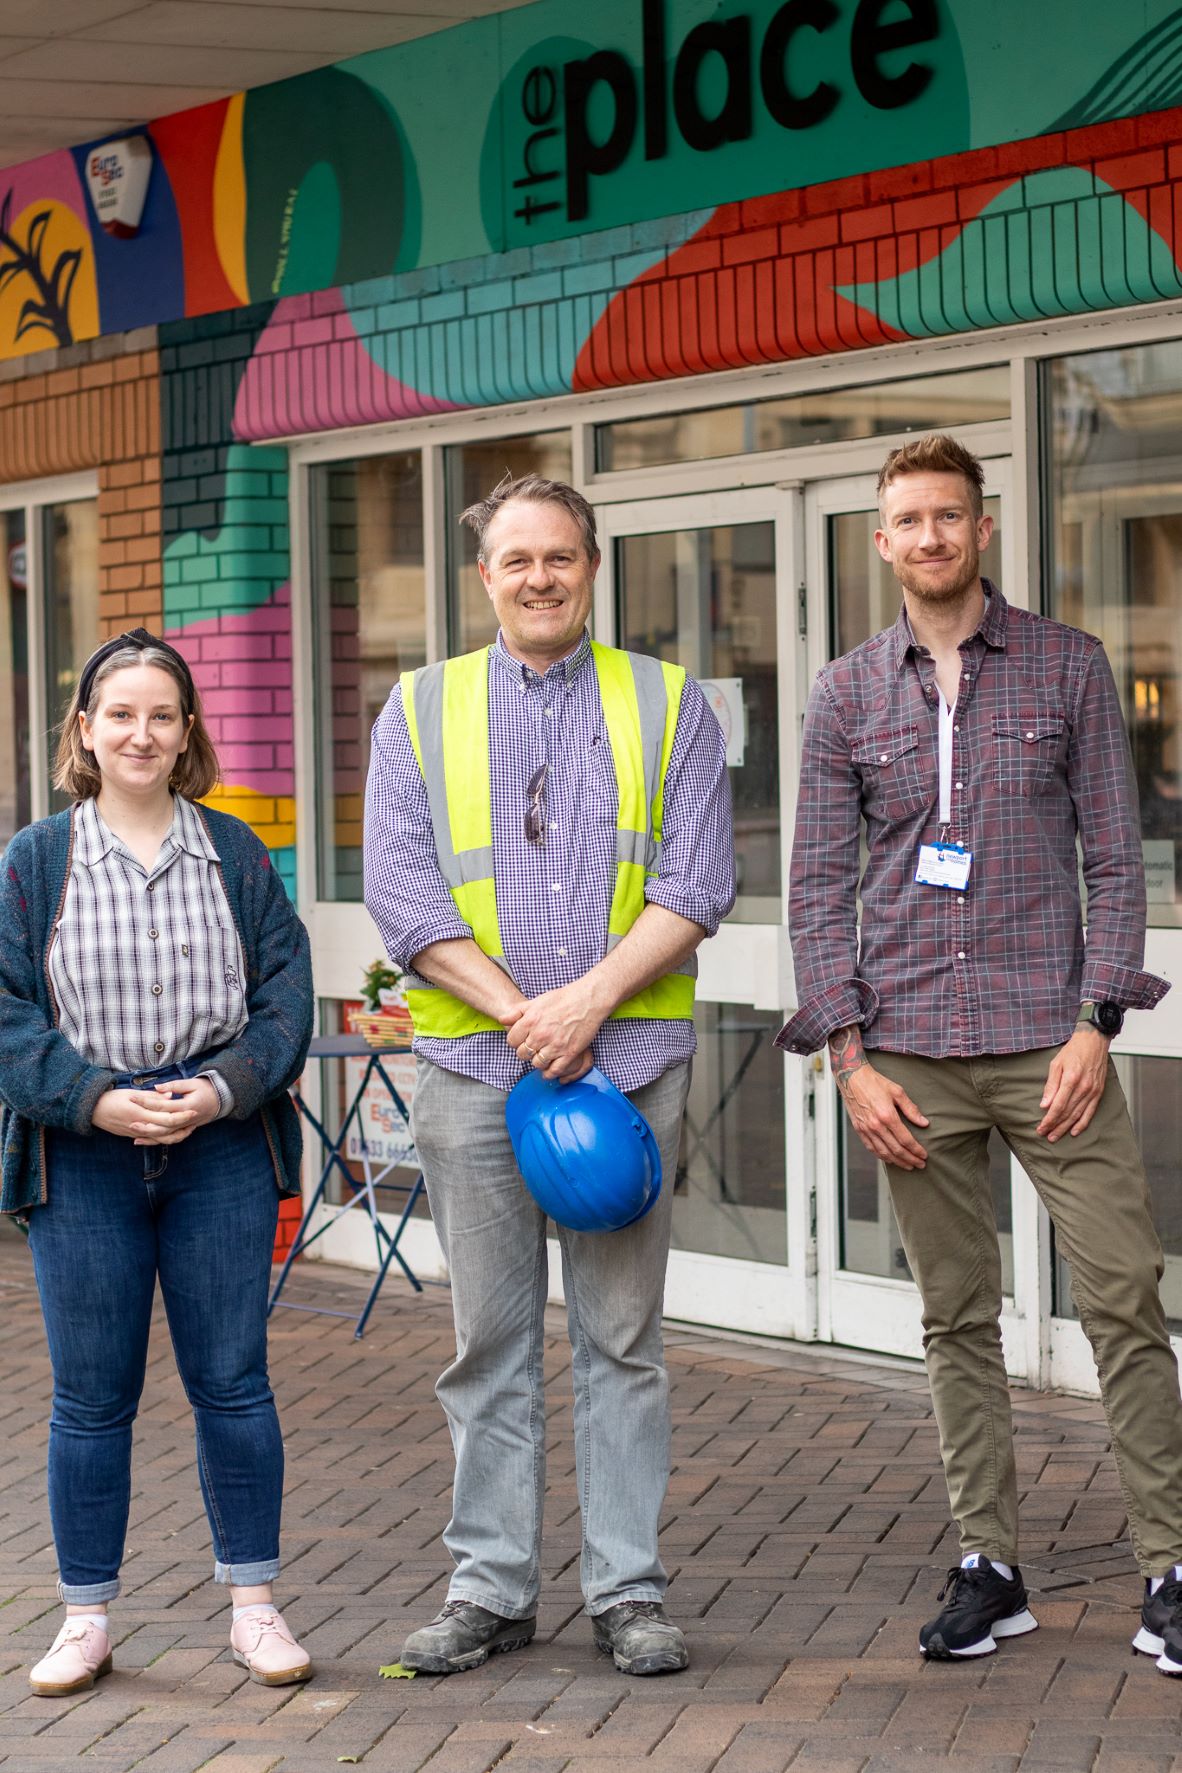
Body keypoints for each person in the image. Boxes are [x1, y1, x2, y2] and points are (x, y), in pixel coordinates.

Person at [777, 433, 1182, 1673]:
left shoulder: (1067, 666)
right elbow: (812, 888)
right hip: (907, 1059)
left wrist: (1093, 1025)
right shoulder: (847, 691)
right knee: (956, 1317)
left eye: (952, 516)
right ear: (884, 541)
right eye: (911, 519)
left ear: (983, 530)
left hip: (1047, 1047)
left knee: (1122, 1300)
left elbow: (1117, 861)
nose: (933, 537)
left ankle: (1170, 1566)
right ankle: (989, 1565)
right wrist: (848, 1059)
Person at [364, 473, 734, 1677]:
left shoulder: (669, 704)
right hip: (475, 1068)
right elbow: (403, 897)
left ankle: (627, 1591)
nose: (539, 578)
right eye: (516, 560)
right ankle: (492, 1590)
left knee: (622, 1343)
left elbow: (698, 883)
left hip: (626, 1074)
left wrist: (587, 1008)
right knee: (491, 1344)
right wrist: (530, 1014)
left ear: (591, 566)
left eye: (559, 558)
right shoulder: (415, 711)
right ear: (486, 578)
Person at [0, 629, 314, 1695]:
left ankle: (255, 1608)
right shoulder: (35, 861)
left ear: (188, 735)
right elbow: (4, 1015)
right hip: (82, 1158)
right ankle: (84, 1616)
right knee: (91, 1398)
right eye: (120, 713)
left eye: (163, 715)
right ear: (85, 729)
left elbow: (285, 1000)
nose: (142, 732)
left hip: (217, 1144)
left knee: (232, 1383)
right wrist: (94, 1099)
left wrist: (221, 1088)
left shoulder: (236, 854)